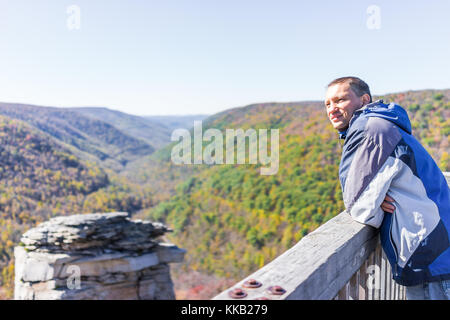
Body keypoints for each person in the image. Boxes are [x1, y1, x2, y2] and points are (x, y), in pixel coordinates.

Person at [324, 76, 450, 300]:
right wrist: (375, 195)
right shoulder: (382, 123)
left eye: (340, 100)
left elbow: (359, 206)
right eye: (327, 104)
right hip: (434, 248)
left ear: (364, 99)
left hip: (431, 255)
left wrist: (373, 198)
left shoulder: (371, 129)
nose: (332, 108)